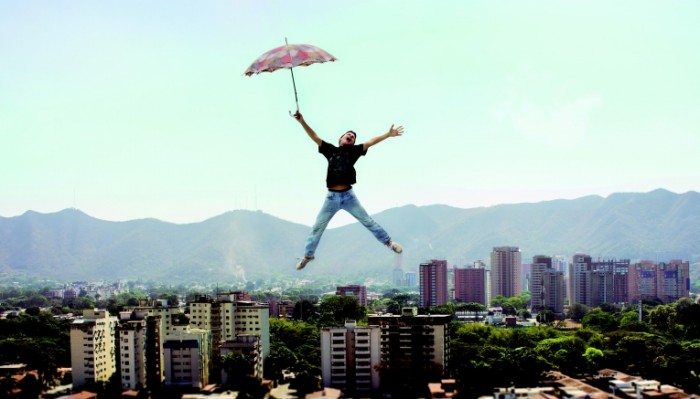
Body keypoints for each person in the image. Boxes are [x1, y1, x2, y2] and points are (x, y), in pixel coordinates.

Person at [293, 111, 404, 270]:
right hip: (331, 198)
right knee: (317, 227)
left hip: (348, 196)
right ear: (340, 139)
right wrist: (302, 121)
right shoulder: (330, 150)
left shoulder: (354, 151)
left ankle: (389, 243)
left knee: (367, 221)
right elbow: (315, 136)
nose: (351, 136)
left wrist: (388, 134)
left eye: (353, 136)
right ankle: (308, 256)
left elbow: (371, 141)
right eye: (348, 134)